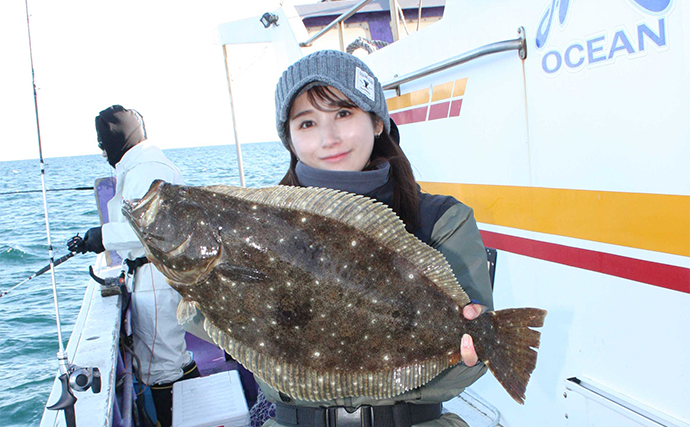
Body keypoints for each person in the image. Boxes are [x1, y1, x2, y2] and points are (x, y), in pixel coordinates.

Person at [252, 50, 495, 427]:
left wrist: (472, 352)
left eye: (344, 114)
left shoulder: (441, 219)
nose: (328, 138)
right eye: (307, 124)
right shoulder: (261, 227)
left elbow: (467, 367)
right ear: (289, 139)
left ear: (378, 121)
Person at [68, 105, 199, 427]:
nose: (102, 150)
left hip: (154, 275)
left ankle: (177, 421)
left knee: (161, 364)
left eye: (103, 141)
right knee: (173, 355)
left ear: (116, 138)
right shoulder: (143, 163)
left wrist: (100, 237)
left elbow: (151, 230)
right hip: (153, 271)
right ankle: (197, 410)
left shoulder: (146, 168)